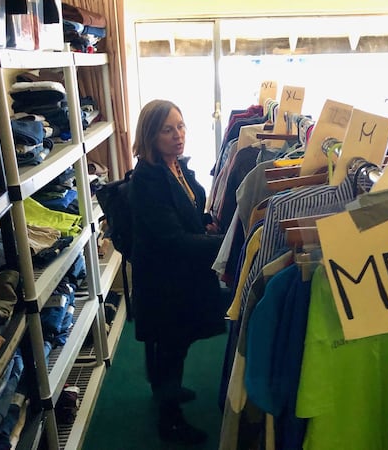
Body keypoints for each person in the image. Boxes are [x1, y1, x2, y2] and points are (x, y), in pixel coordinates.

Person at [129, 99, 227, 445]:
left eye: (181, 126)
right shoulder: (147, 179)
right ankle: (170, 423)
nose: (178, 135)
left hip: (176, 274)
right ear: (151, 135)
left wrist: (204, 223)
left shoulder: (175, 167)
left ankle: (163, 390)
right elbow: (171, 239)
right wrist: (226, 246)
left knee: (171, 344)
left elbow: (185, 212)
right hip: (164, 279)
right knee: (171, 344)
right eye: (167, 130)